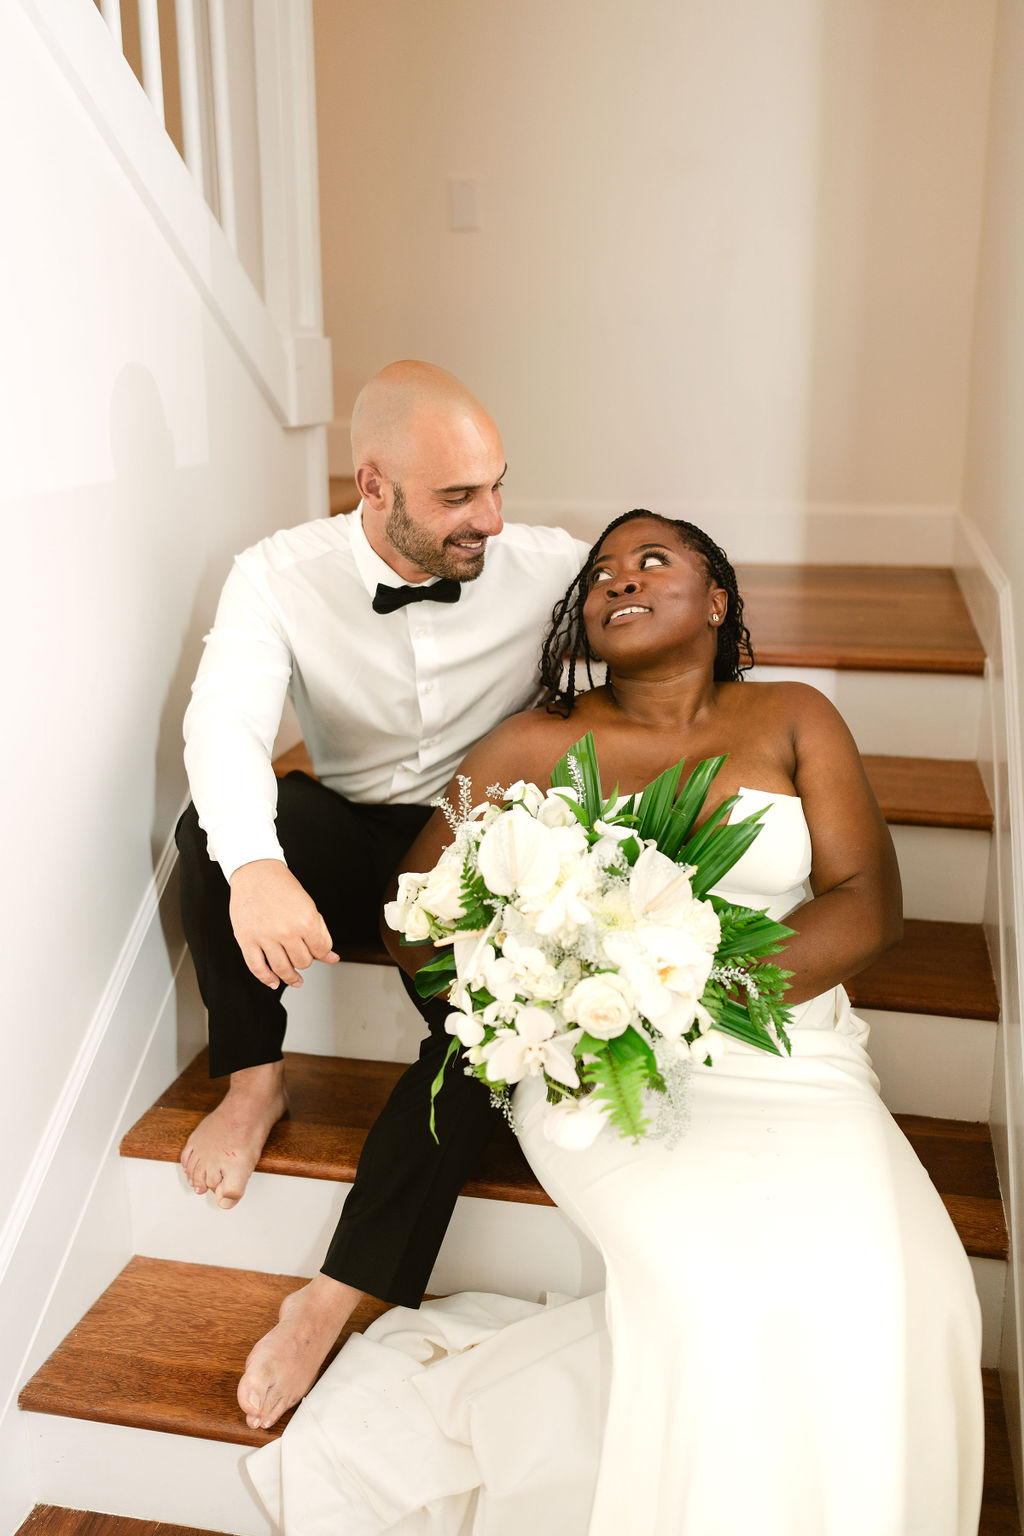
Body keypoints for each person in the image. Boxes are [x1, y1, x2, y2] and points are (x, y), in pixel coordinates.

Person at [248, 510, 983, 1535]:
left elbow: (867, 903)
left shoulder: (793, 717)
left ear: (716, 600)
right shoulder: (534, 741)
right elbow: (415, 914)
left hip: (790, 1051)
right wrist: (529, 994)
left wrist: (690, 988)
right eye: (598, 574)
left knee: (912, 1288)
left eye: (652, 561)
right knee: (714, 1291)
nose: (618, 581)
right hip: (598, 1069)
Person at [175, 360, 588, 1430]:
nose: (490, 519)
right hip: (351, 825)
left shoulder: (547, 566)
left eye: (497, 485)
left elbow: (667, 631)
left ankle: (336, 1293)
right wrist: (259, 868)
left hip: (475, 847)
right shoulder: (276, 573)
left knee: (488, 1038)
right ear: (371, 487)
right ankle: (253, 1081)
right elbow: (222, 723)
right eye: (458, 497)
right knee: (214, 833)